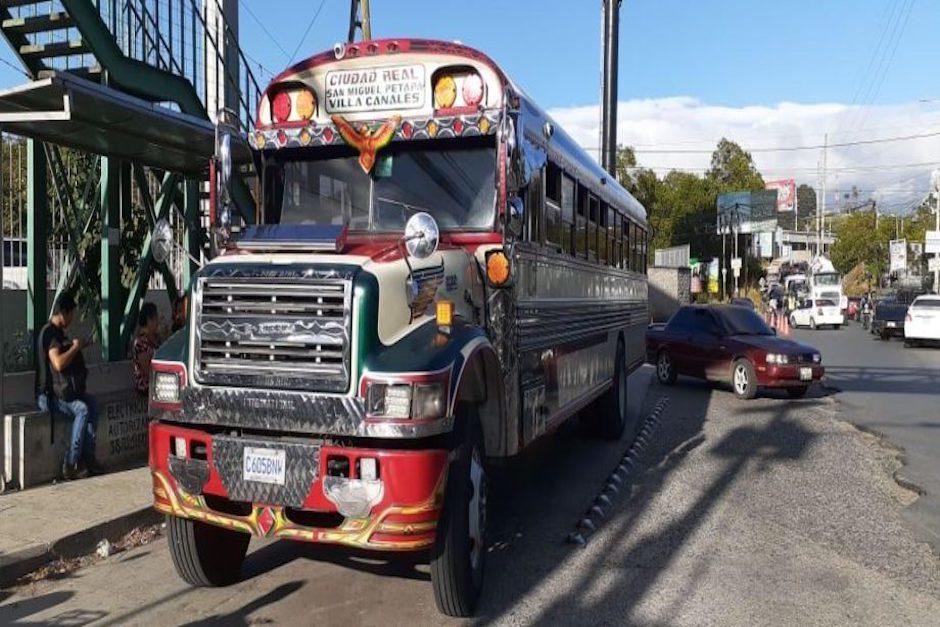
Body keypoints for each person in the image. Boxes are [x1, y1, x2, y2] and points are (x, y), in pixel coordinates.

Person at [36, 293, 98, 480]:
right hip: (49, 396)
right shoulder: (50, 334)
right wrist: (75, 348)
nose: (72, 320)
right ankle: (71, 462)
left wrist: (80, 345)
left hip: (62, 392)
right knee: (82, 409)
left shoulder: (57, 333)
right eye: (71, 315)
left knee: (93, 404)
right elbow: (58, 363)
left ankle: (88, 459)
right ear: (64, 312)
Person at [132, 302, 160, 395]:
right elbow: (146, 369)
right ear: (149, 320)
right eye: (156, 318)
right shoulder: (140, 343)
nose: (158, 322)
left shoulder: (154, 339)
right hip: (146, 386)